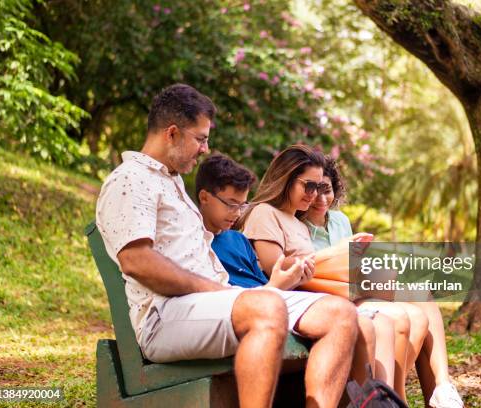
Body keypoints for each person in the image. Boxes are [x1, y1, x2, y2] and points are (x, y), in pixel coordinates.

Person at [95, 84, 361, 408]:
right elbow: (137, 261)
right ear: (173, 133)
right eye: (201, 138)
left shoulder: (171, 182)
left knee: (340, 315)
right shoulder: (131, 180)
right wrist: (218, 291)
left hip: (213, 304)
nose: (206, 148)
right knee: (266, 307)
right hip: (163, 316)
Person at [236, 144, 420, 403]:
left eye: (319, 187)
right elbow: (278, 270)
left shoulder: (297, 221)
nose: (313, 195)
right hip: (285, 302)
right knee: (368, 324)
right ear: (286, 179)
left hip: (313, 299)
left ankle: (382, 400)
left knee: (387, 322)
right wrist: (338, 254)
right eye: (308, 186)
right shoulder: (265, 213)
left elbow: (312, 270)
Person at [195, 152, 393, 386]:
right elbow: (267, 276)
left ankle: (378, 399)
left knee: (376, 318)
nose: (237, 213)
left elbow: (263, 281)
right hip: (261, 306)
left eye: (241, 205)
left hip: (279, 299)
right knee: (358, 318)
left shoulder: (239, 240)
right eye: (231, 204)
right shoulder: (199, 240)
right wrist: (336, 255)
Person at [302, 155, 464, 408]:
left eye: (327, 190)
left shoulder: (340, 221)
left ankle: (443, 388)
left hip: (356, 289)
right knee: (408, 318)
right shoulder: (297, 225)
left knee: (421, 294)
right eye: (314, 190)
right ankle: (393, 397)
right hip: (332, 297)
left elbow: (356, 267)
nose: (321, 199)